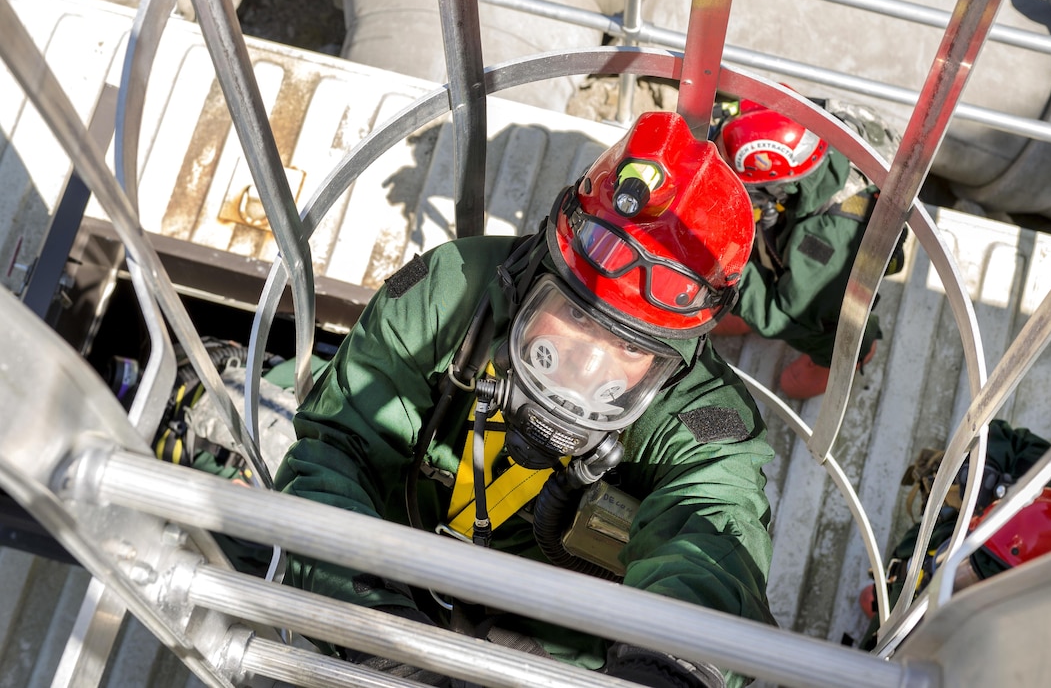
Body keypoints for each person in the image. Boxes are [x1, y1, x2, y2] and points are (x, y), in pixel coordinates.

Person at [273, 110, 778, 688]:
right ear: (541, 267)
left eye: (626, 347)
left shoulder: (706, 425)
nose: (584, 367)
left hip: (566, 651)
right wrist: (385, 644)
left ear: (678, 352)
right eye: (573, 318)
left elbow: (713, 542)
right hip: (384, 582)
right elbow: (333, 456)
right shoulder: (451, 292)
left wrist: (662, 670)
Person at [710, 98, 906, 400]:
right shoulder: (815, 131)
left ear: (779, 184)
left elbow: (784, 314)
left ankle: (858, 353)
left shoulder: (822, 247)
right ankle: (754, 298)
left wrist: (720, 260)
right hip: (809, 218)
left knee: (796, 375)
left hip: (826, 282)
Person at [856, 419, 1051, 649]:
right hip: (944, 539)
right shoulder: (1039, 484)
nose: (958, 576)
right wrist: (986, 468)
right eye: (965, 569)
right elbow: (995, 433)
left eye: (968, 578)